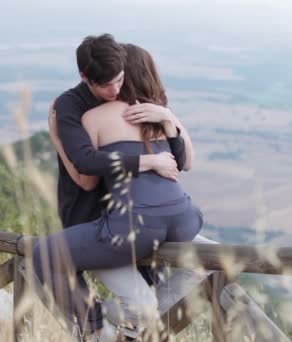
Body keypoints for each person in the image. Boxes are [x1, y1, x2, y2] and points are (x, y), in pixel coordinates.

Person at [34, 41, 204, 340]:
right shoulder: (160, 115)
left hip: (126, 227)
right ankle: (146, 323)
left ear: (127, 73)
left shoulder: (97, 117)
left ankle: (98, 328)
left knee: (45, 254)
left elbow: (86, 177)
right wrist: (166, 121)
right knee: (212, 261)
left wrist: (57, 141)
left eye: (119, 80)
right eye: (107, 82)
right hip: (186, 218)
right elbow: (186, 162)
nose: (114, 89)